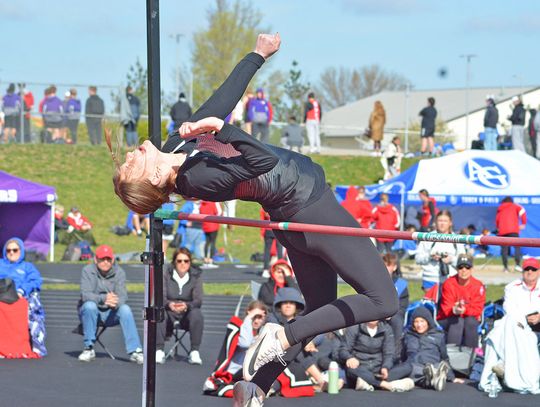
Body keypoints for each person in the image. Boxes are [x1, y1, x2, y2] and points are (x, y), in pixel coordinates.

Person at [107, 33, 398, 406]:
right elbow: (263, 161)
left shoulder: (174, 145)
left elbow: (221, 100)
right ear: (150, 179)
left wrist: (257, 56)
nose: (132, 153)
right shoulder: (196, 178)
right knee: (383, 300)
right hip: (308, 205)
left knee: (323, 307)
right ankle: (281, 337)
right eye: (132, 164)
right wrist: (220, 129)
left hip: (292, 215)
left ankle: (256, 385)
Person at [479, 257, 540, 394]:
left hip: (537, 324)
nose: (530, 272)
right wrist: (525, 319)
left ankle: (505, 365)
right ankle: (515, 374)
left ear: (539, 272)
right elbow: (510, 310)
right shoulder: (512, 287)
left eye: (533, 269)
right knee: (501, 328)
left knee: (499, 330)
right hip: (518, 324)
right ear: (522, 271)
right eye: (527, 269)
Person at [78, 244, 143, 363]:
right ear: (96, 259)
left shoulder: (120, 272)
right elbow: (85, 295)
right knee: (89, 306)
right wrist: (104, 298)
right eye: (102, 259)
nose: (105, 262)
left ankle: (136, 350)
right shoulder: (87, 271)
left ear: (113, 259)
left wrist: (115, 303)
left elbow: (123, 296)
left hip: (111, 312)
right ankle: (89, 348)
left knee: (125, 309)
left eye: (108, 259)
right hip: (92, 314)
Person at [267, 287, 329, 394]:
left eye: (291, 303)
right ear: (279, 305)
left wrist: (311, 341)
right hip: (277, 357)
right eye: (284, 302)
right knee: (298, 346)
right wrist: (303, 341)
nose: (288, 305)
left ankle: (320, 380)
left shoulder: (301, 320)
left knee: (306, 347)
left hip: (300, 358)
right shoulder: (272, 320)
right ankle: (320, 380)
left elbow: (319, 332)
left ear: (296, 306)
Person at [156, 247, 204, 365]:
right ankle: (159, 350)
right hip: (169, 312)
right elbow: (160, 296)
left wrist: (186, 305)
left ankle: (194, 351)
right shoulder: (166, 274)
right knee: (158, 312)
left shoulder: (196, 276)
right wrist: (169, 304)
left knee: (197, 314)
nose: (183, 264)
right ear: (174, 262)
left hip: (186, 313)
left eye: (186, 261)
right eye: (179, 261)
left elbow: (198, 300)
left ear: (190, 263)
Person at [0, 238, 47, 357]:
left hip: (21, 296)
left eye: (15, 250)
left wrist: (22, 290)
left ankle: (33, 345)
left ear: (21, 251)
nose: (11, 253)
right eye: (8, 250)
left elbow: (36, 281)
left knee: (31, 305)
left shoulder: (27, 267)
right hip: (1, 294)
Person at [338, 319, 414, 392]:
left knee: (407, 367)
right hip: (360, 367)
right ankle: (384, 385)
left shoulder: (386, 328)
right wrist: (350, 358)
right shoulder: (354, 327)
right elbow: (343, 350)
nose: (373, 318)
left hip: (378, 369)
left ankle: (368, 383)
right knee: (350, 369)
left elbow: (389, 353)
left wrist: (385, 367)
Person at [403, 306, 463, 390]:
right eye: (416, 322)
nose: (419, 325)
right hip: (415, 366)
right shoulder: (408, 336)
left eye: (422, 321)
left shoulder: (438, 336)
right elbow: (401, 356)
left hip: (433, 364)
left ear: (428, 322)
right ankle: (432, 379)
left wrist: (452, 378)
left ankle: (432, 377)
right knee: (411, 369)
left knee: (437, 367)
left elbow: (444, 358)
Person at [437, 254, 485, 349]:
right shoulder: (449, 283)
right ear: (456, 269)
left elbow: (478, 310)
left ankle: (471, 355)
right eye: (460, 267)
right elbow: (446, 309)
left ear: (471, 269)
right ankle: (451, 355)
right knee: (457, 321)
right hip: (448, 317)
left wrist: (464, 310)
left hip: (468, 318)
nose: (464, 270)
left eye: (467, 267)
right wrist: (455, 310)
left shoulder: (478, 285)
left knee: (470, 321)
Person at [415, 210, 466, 293]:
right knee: (431, 305)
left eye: (445, 221)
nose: (442, 223)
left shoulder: (457, 239)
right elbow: (418, 259)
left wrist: (451, 259)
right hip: (430, 279)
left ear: (450, 223)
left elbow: (463, 262)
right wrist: (430, 256)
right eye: (440, 220)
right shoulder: (427, 237)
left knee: (448, 305)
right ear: (435, 222)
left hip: (451, 279)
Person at [383, 253, 409, 355]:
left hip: (395, 314)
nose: (385, 268)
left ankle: (396, 353)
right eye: (383, 265)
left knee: (397, 320)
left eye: (388, 265)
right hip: (377, 312)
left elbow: (403, 305)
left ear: (394, 267)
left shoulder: (401, 284)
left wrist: (391, 313)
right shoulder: (375, 281)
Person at [495, 196, 527, 273]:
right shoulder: (515, 206)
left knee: (504, 250)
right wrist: (523, 223)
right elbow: (522, 211)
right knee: (517, 247)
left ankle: (505, 267)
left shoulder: (500, 208)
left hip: (502, 231)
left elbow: (497, 219)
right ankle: (517, 265)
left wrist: (498, 228)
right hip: (513, 230)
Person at [260, 208, 283, 278]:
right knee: (279, 250)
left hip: (269, 229)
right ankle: (280, 269)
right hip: (275, 229)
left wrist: (262, 232)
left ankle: (266, 269)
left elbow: (262, 219)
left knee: (268, 250)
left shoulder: (264, 208)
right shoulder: (277, 206)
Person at [200, 200, 222, 267]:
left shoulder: (202, 203)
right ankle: (211, 260)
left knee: (207, 242)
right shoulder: (214, 202)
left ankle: (205, 259)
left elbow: (200, 212)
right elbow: (218, 212)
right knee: (213, 242)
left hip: (205, 225)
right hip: (213, 225)